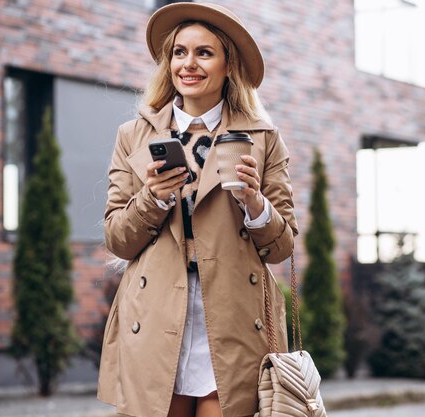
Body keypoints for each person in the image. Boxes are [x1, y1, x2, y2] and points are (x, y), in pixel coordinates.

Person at [97, 3, 297, 417]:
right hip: (155, 316)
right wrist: (151, 198)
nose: (188, 64)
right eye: (179, 52)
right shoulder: (133, 136)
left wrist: (255, 203)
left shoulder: (262, 138)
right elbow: (117, 237)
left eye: (204, 53)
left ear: (229, 65)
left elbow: (282, 246)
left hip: (232, 320)